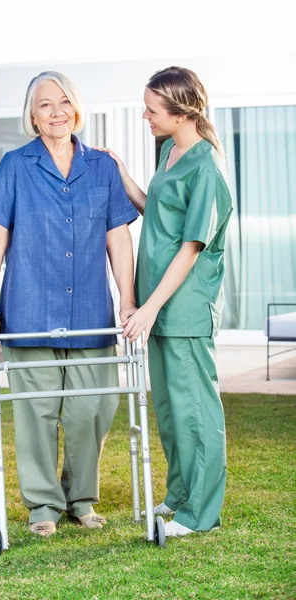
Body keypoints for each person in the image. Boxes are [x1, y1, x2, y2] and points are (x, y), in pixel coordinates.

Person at [0, 71, 139, 537]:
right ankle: (44, 506)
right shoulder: (15, 165)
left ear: (77, 108)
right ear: (32, 115)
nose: (57, 111)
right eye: (45, 104)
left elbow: (119, 239)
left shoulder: (101, 167)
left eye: (64, 101)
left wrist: (127, 300)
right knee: (37, 413)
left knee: (92, 410)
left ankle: (80, 497)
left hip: (90, 311)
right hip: (29, 309)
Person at [99, 66, 233, 538]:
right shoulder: (169, 151)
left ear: (181, 112)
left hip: (184, 307)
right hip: (156, 307)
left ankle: (200, 515)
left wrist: (150, 306)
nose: (145, 116)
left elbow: (190, 247)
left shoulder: (206, 167)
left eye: (153, 110)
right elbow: (154, 210)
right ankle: (179, 496)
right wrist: (121, 173)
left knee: (195, 411)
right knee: (172, 413)